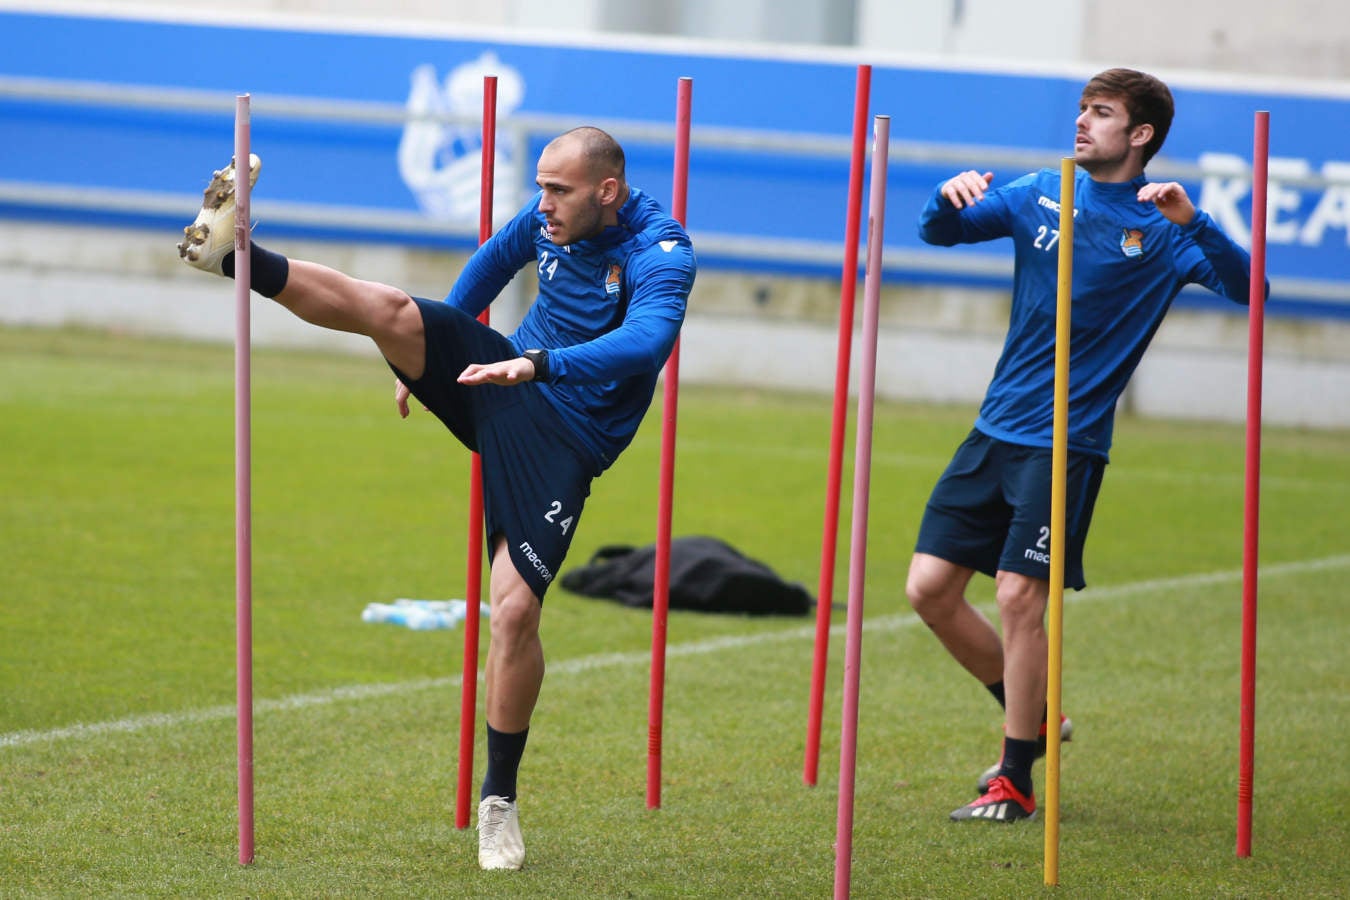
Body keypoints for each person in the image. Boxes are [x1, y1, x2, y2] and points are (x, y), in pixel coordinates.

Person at [177, 127, 697, 867]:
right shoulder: (548, 219)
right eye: (540, 187)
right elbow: (492, 263)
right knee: (392, 310)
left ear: (607, 192)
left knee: (513, 614)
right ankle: (234, 257)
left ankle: (499, 803)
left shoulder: (661, 253)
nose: (543, 204)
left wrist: (538, 365)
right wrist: (423, 357)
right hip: (500, 377)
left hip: (566, 433)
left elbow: (647, 343)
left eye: (559, 191)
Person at [906, 68, 1263, 823]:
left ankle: (1014, 779)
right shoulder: (1042, 190)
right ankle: (1036, 717)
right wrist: (946, 197)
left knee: (1017, 597)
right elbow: (939, 231)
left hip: (1065, 444)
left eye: (1101, 113)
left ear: (1140, 135)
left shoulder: (1165, 227)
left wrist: (1196, 221)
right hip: (993, 429)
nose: (1082, 122)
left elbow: (1251, 290)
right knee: (929, 590)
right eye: (1081, 109)